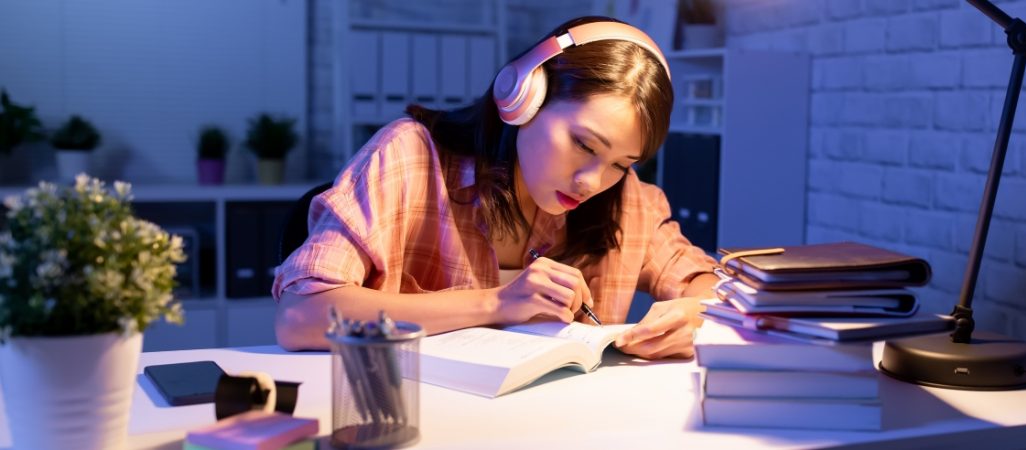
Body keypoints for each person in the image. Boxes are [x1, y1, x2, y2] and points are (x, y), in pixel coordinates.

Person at [272, 16, 719, 359]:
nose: (592, 181)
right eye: (583, 144)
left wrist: (693, 314)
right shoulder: (409, 158)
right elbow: (299, 316)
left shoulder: (627, 200)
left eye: (621, 163)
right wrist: (496, 303)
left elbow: (711, 286)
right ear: (524, 98)